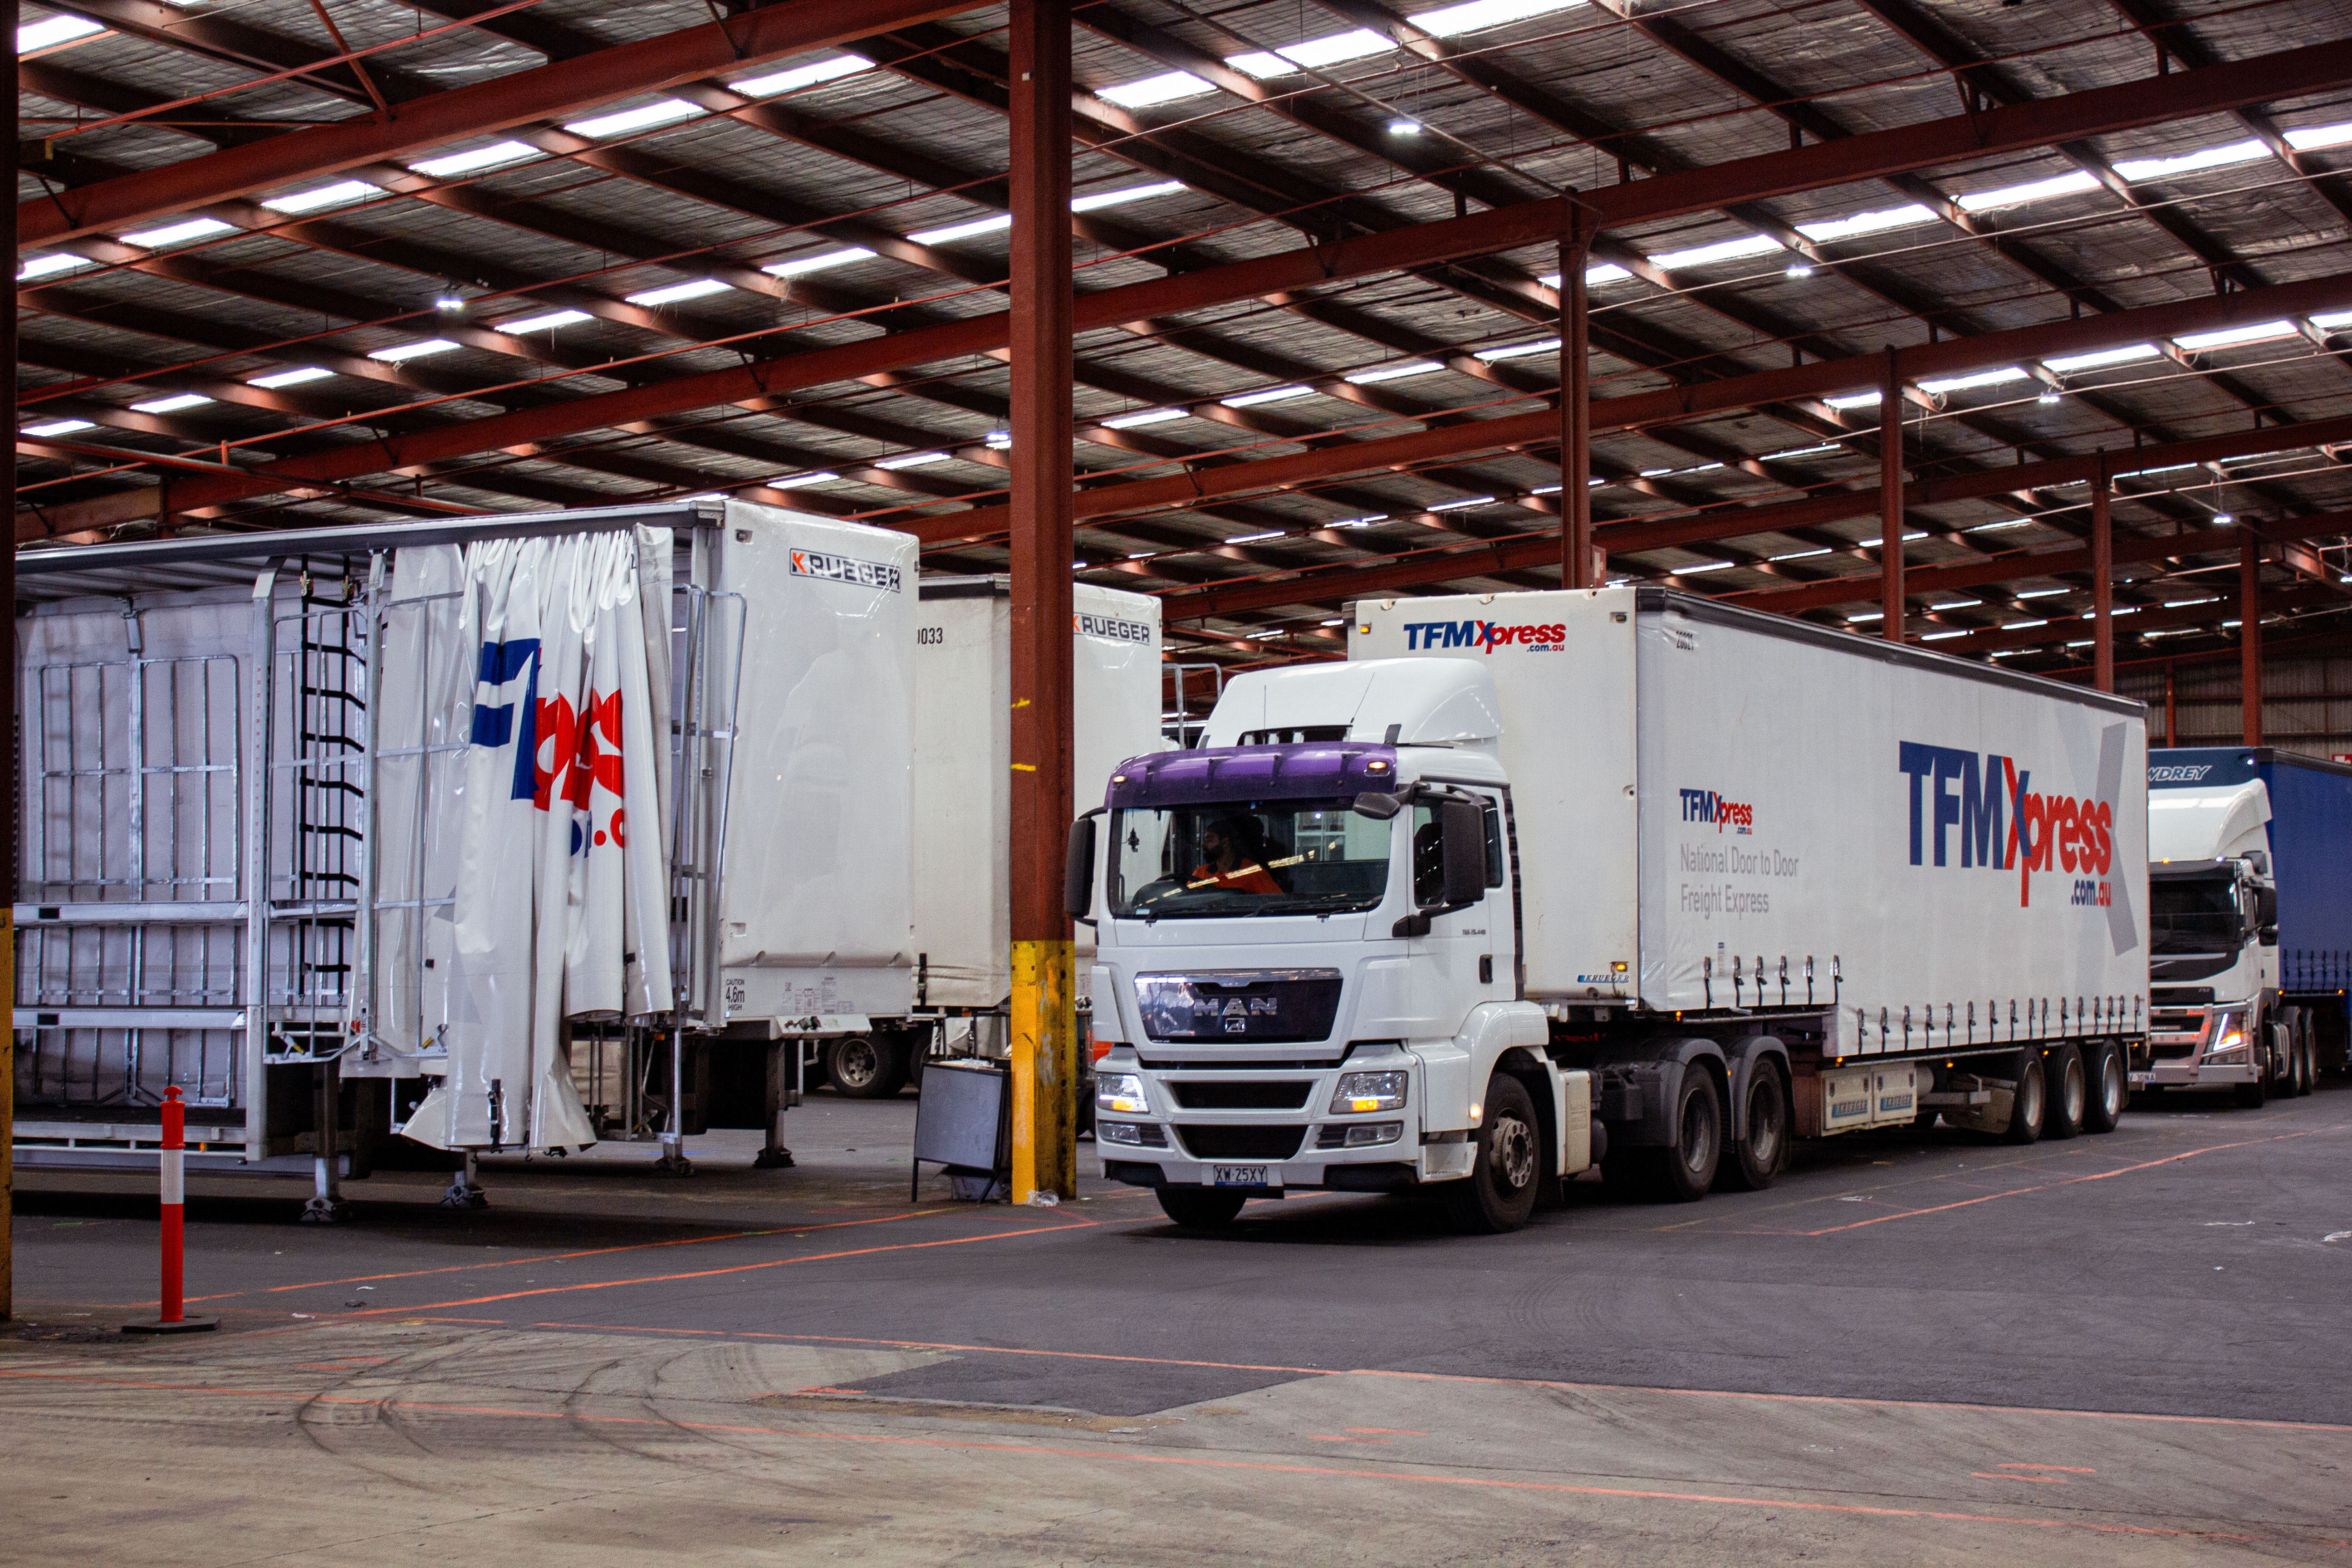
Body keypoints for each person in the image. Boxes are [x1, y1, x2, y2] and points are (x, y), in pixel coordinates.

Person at [1192, 815, 1283, 895]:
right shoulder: (1200, 873)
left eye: (1210, 840)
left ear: (1225, 843)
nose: (1203, 845)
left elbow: (1275, 902)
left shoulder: (1253, 872)